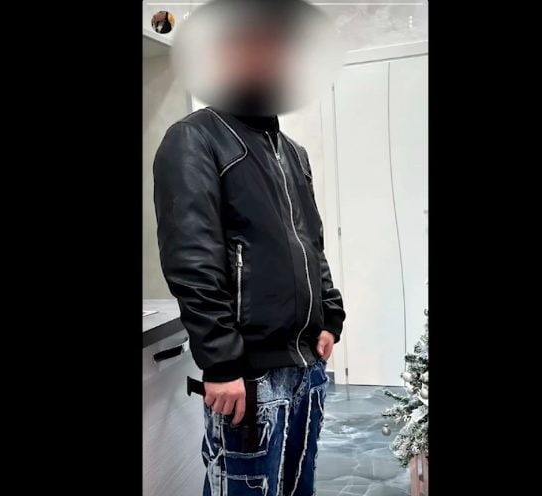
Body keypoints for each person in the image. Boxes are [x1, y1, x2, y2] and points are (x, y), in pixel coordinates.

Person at [153, 2, 345, 494]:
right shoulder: (194, 138)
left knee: (299, 486)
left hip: (306, 369)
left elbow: (311, 243)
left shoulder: (292, 153)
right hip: (249, 378)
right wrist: (221, 363)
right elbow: (191, 260)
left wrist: (330, 316)